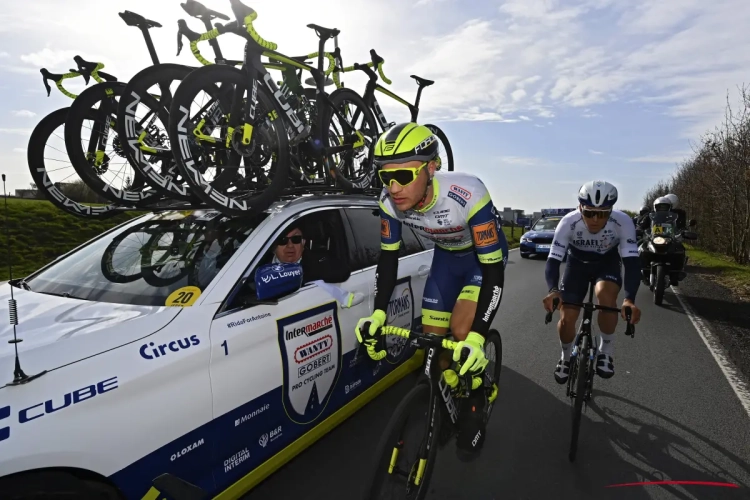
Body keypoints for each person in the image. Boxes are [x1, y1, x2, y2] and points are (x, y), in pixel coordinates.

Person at [354, 122, 507, 460]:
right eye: (385, 177)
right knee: (434, 350)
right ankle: (444, 400)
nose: (394, 188)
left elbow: (494, 271)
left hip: (481, 265)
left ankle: (478, 396)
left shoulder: (467, 194)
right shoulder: (390, 203)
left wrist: (479, 338)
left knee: (462, 331)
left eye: (404, 177)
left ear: (432, 167)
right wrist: (378, 312)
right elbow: (388, 260)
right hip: (446, 264)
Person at [542, 180, 642, 384]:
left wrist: (629, 299)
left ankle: (607, 348)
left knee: (605, 296)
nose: (595, 219)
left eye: (603, 213)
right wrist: (553, 290)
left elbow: (632, 264)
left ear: (611, 210)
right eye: (589, 213)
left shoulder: (623, 222)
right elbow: (553, 260)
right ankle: (565, 355)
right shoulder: (568, 222)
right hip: (576, 263)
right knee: (567, 317)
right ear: (580, 208)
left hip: (607, 262)